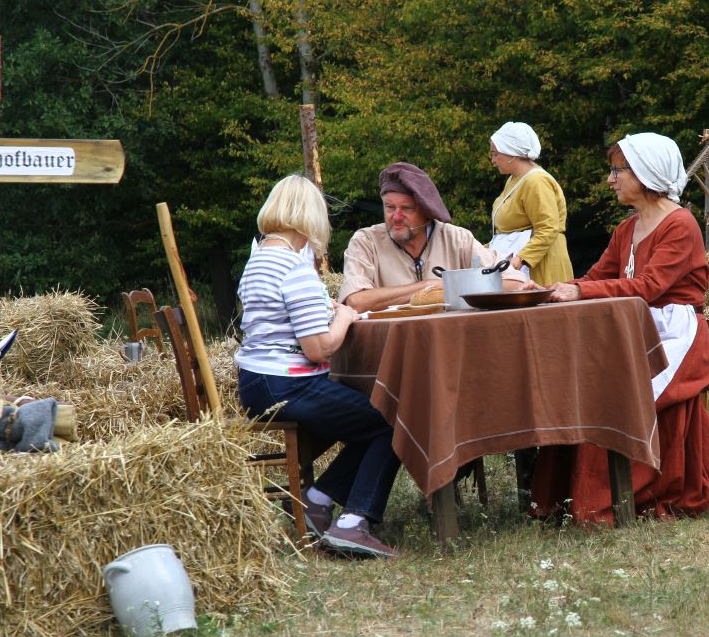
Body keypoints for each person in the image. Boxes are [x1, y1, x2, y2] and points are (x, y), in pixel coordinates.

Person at [529, 133, 709, 523]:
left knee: (614, 395)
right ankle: (565, 496)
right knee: (583, 384)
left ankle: (625, 495)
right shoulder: (626, 229)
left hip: (675, 336)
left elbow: (649, 287)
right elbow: (595, 278)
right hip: (633, 332)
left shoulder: (680, 224)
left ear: (645, 173)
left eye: (618, 171)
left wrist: (579, 291)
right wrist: (548, 290)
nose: (610, 179)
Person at [235, 175, 400, 558]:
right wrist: (345, 315)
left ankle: (317, 500)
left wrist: (326, 311)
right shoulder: (295, 268)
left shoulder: (258, 259)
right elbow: (319, 349)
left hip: (257, 381)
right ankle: (353, 523)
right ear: (310, 216)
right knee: (392, 419)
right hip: (287, 384)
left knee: (368, 420)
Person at [339, 161, 526, 312]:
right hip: (395, 341)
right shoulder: (366, 241)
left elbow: (516, 283)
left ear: (427, 212)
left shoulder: (456, 238)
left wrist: (451, 287)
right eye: (389, 207)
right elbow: (356, 301)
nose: (396, 217)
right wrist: (426, 286)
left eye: (406, 208)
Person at [488, 122, 573, 285]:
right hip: (520, 263)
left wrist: (521, 258)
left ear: (512, 153)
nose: (493, 160)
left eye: (496, 154)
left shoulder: (536, 181)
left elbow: (548, 228)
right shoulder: (513, 180)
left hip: (542, 266)